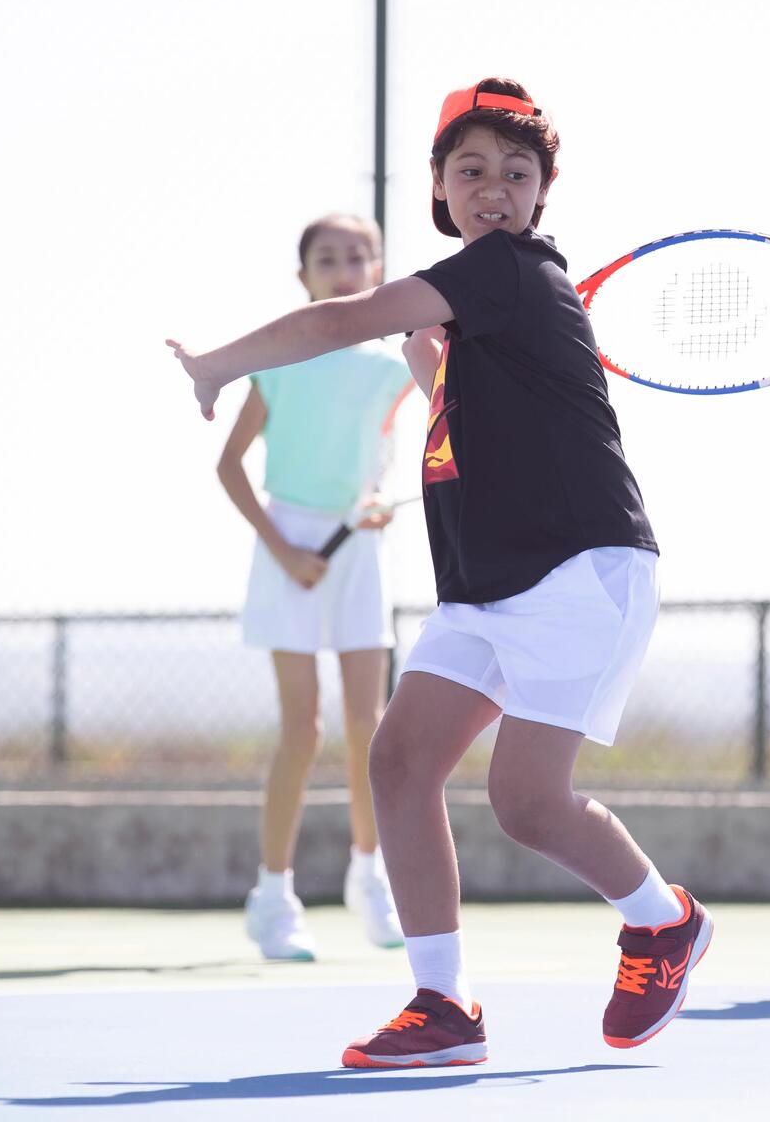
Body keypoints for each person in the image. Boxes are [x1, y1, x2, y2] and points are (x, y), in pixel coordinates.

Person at [170, 78, 711, 1067]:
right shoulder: (476, 313)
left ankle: (662, 918)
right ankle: (444, 1002)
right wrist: (434, 374)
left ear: (542, 194)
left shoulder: (510, 269)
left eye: (517, 172)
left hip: (578, 572)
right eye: (471, 171)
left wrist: (217, 364)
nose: (494, 189)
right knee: (400, 761)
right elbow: (478, 425)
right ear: (438, 186)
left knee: (528, 803)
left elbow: (341, 320)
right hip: (488, 586)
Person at [214, 213, 410, 960]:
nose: (344, 268)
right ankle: (273, 896)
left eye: (359, 257)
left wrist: (379, 498)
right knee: (305, 730)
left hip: (357, 549)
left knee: (372, 726)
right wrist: (284, 548)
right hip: (286, 544)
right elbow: (230, 465)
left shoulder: (394, 369)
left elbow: (384, 455)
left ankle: (371, 876)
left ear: (379, 271)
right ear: (304, 278)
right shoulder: (280, 360)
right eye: (327, 259)